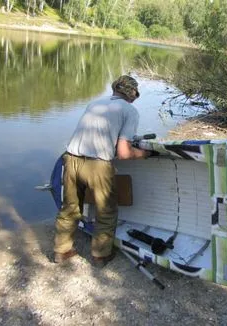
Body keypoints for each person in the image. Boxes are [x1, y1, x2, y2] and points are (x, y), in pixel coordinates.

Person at [53, 75, 150, 268]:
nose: (134, 98)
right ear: (131, 94)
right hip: (97, 165)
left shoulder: (95, 104)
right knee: (105, 211)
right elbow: (123, 153)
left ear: (115, 89)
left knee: (70, 208)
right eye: (135, 94)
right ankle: (100, 256)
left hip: (71, 159)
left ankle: (61, 251)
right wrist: (145, 154)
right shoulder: (130, 111)